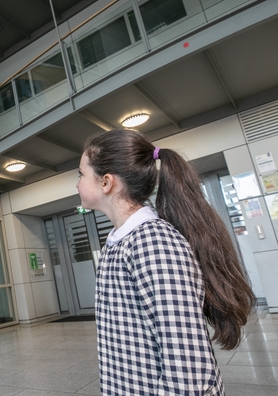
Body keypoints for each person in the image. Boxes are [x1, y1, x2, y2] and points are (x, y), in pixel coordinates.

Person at [76, 129, 254, 395]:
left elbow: (187, 362)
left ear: (106, 182)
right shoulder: (120, 241)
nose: (78, 183)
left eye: (81, 174)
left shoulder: (152, 240)